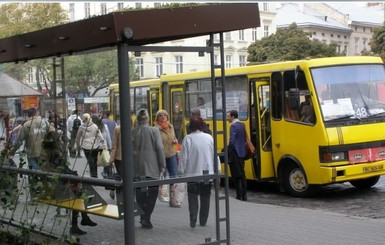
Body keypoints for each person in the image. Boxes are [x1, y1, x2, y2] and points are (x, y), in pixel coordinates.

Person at [9, 107, 53, 204]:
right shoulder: (45, 122)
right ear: (37, 113)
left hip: (32, 153)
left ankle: (35, 197)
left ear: (28, 115)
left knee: (33, 175)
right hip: (45, 153)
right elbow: (54, 134)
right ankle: (46, 195)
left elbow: (19, 141)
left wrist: (12, 151)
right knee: (45, 174)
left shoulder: (26, 125)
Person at [178, 116, 215, 228]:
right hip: (207, 173)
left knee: (192, 196)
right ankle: (203, 220)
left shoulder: (188, 139)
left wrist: (181, 172)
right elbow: (214, 155)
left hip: (192, 174)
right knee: (205, 197)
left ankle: (193, 217)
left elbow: (184, 158)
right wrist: (217, 170)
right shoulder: (209, 137)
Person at [132, 109, 165, 229]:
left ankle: (143, 217)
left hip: (137, 168)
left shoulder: (133, 132)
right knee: (152, 194)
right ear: (147, 119)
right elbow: (160, 148)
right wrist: (162, 164)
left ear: (138, 120)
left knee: (139, 194)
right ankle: (146, 217)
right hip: (152, 168)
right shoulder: (154, 131)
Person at [154, 109, 179, 207]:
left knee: (174, 176)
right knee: (161, 177)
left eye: (165, 115)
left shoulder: (170, 126)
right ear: (157, 118)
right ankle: (159, 195)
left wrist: (175, 141)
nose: (163, 117)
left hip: (171, 154)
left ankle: (172, 199)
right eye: (161, 115)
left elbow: (173, 137)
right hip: (162, 156)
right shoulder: (156, 129)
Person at [75, 113, 106, 178]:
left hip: (86, 147)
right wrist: (103, 143)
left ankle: (93, 176)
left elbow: (77, 138)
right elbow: (100, 136)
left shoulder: (81, 127)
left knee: (90, 162)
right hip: (95, 146)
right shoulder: (95, 126)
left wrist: (78, 146)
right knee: (95, 161)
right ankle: (95, 175)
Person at [227, 110, 248, 201]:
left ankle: (239, 195)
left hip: (235, 153)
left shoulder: (233, 126)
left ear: (233, 117)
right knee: (242, 175)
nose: (227, 118)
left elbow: (232, 141)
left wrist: (228, 151)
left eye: (228, 116)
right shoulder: (242, 125)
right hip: (242, 152)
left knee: (236, 176)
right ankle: (244, 195)